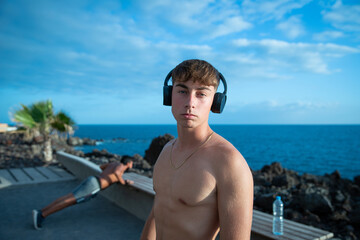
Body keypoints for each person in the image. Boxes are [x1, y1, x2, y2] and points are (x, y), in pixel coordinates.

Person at [140, 59, 254, 240]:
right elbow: (156, 213)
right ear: (169, 95)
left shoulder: (229, 162)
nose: (190, 102)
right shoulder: (166, 151)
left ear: (215, 102)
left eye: (201, 94)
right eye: (182, 91)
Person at [32, 157, 134, 230]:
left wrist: (110, 178)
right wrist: (124, 182)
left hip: (93, 179)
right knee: (69, 200)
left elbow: (102, 167)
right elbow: (116, 173)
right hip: (94, 185)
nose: (132, 165)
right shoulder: (121, 166)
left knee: (68, 197)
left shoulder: (114, 163)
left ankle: (41, 211)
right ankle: (42, 215)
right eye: (132, 164)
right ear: (128, 163)